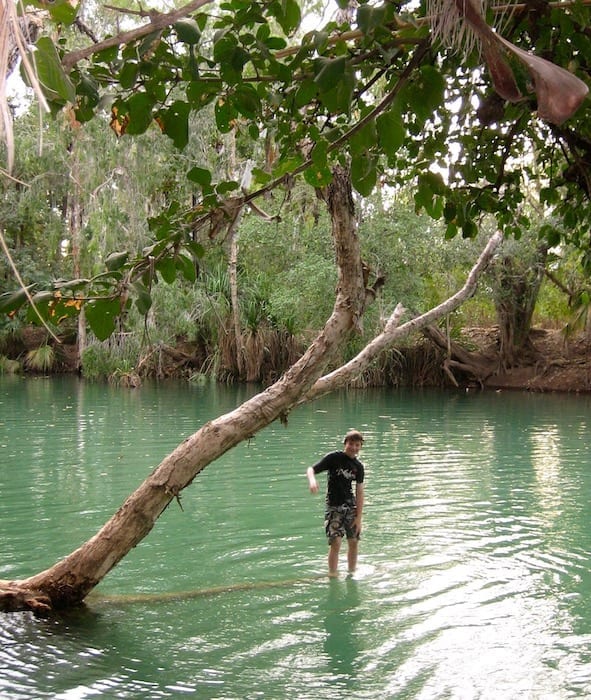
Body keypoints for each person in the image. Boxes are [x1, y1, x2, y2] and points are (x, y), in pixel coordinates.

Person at [306, 430, 365, 576]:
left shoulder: (358, 467)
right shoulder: (334, 458)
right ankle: (333, 574)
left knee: (353, 542)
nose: (354, 447)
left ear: (360, 447)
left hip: (350, 508)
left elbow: (360, 492)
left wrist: (359, 517)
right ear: (345, 443)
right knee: (336, 542)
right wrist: (312, 481)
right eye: (351, 444)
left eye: (357, 445)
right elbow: (311, 469)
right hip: (333, 507)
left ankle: (351, 573)